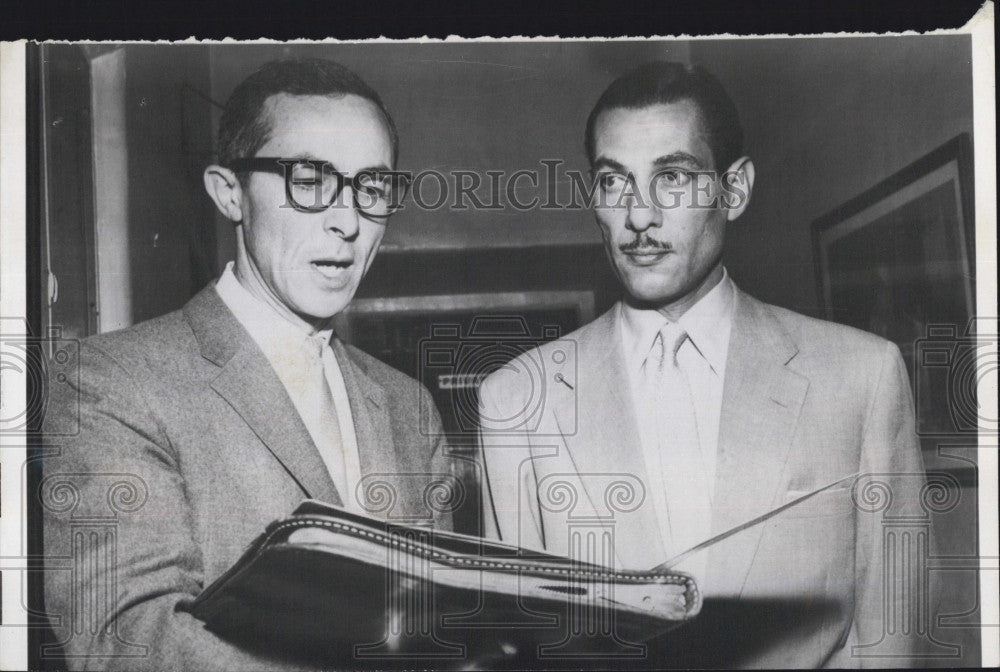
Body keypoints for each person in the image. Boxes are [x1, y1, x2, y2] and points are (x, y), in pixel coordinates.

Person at [478, 61, 932, 668]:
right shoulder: (517, 398)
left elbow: (891, 639)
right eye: (614, 182)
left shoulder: (862, 376)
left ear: (734, 189)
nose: (639, 217)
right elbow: (518, 648)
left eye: (673, 178)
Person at [42, 58, 451, 670]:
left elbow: (435, 625)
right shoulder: (111, 382)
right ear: (229, 192)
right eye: (310, 180)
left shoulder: (406, 403)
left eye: (372, 187)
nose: (347, 220)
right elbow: (122, 640)